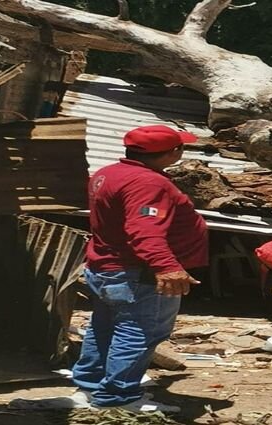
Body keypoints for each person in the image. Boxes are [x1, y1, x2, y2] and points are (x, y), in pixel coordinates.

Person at [71, 125, 208, 413]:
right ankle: (118, 399)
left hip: (107, 266)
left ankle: (90, 386)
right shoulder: (148, 184)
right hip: (136, 273)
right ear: (173, 153)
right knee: (140, 332)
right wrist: (167, 267)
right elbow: (144, 231)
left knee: (104, 327)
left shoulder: (108, 172)